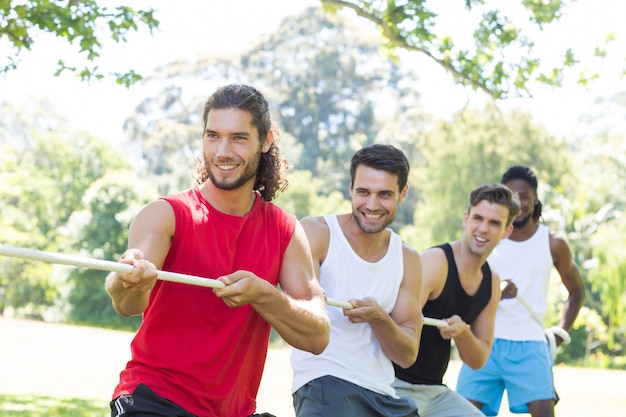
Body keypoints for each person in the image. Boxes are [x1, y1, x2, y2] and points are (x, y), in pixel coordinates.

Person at [105, 84, 330, 417]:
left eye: (238, 138)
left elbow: (318, 336)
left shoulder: (284, 229)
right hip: (154, 399)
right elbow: (128, 303)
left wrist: (264, 295)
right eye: (213, 136)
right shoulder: (166, 214)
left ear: (267, 140)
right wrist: (125, 281)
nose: (223, 151)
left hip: (234, 410)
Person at [290, 144, 424, 417]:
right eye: (364, 192)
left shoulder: (408, 258)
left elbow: (407, 355)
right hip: (325, 381)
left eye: (385, 194)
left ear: (403, 193)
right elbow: (301, 321)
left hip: (384, 394)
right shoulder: (317, 233)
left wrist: (380, 319)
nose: (372, 205)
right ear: (351, 189)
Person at [456, 165, 586, 417]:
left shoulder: (553, 242)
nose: (519, 201)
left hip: (530, 345)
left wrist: (560, 334)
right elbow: (465, 284)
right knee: (460, 412)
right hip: (485, 341)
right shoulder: (487, 236)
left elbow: (577, 292)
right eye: (511, 194)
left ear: (535, 198)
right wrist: (493, 291)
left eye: (524, 195)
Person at [392, 183, 521, 417]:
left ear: (506, 231)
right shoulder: (435, 263)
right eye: (478, 218)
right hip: (393, 384)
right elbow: (396, 330)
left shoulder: (491, 282)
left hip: (435, 392)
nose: (483, 229)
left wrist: (462, 334)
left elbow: (478, 359)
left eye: (494, 223)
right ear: (466, 218)